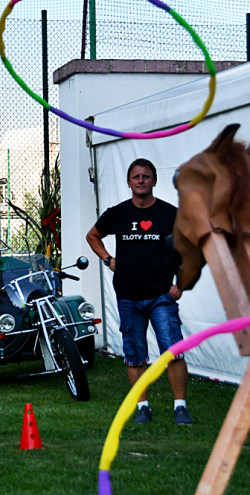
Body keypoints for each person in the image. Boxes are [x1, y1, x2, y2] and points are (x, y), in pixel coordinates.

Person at [86, 158, 194, 426]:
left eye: (146, 176)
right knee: (134, 354)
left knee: (174, 351)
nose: (141, 180)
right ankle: (142, 407)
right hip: (128, 296)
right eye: (136, 176)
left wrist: (180, 283)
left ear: (154, 181)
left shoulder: (170, 214)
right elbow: (93, 236)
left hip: (162, 297)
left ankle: (180, 407)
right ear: (129, 182)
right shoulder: (118, 213)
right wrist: (108, 259)